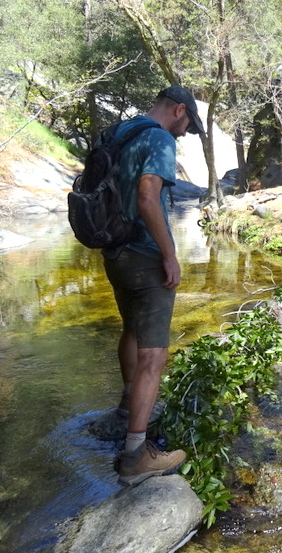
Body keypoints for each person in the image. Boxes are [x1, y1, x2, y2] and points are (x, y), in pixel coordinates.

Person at [103, 85, 205, 487]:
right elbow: (148, 198)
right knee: (154, 355)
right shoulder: (159, 137)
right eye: (187, 124)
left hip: (115, 251)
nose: (184, 133)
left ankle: (128, 407)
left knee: (131, 329)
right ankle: (135, 453)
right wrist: (169, 255)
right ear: (178, 110)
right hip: (145, 255)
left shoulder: (120, 131)